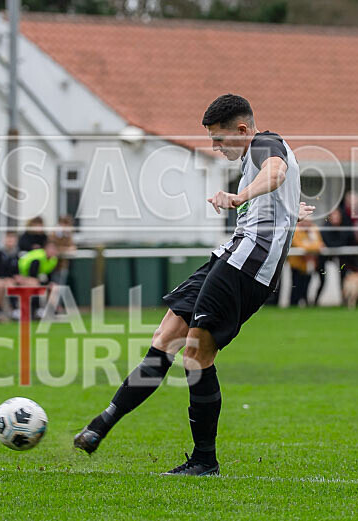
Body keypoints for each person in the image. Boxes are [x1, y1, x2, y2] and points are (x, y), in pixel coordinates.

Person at [73, 94, 311, 476]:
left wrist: (239, 196)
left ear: (242, 130)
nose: (215, 148)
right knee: (165, 338)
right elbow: (277, 186)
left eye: (219, 139)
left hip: (248, 265)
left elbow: (277, 172)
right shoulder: (254, 158)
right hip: (230, 255)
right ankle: (101, 425)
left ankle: (204, 460)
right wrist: (287, 207)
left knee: (196, 354)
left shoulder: (265, 143)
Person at [288, 218, 324, 307]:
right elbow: (299, 245)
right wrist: (313, 247)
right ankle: (293, 305)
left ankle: (305, 304)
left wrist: (309, 247)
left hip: (309, 264)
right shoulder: (296, 230)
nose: (308, 224)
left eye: (309, 222)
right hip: (297, 265)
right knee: (296, 287)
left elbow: (320, 244)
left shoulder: (313, 229)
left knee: (306, 286)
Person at [49, 215, 76, 286]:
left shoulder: (68, 235)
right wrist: (66, 249)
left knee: (61, 284)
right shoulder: (54, 234)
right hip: (53, 265)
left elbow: (72, 247)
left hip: (63, 265)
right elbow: (53, 249)